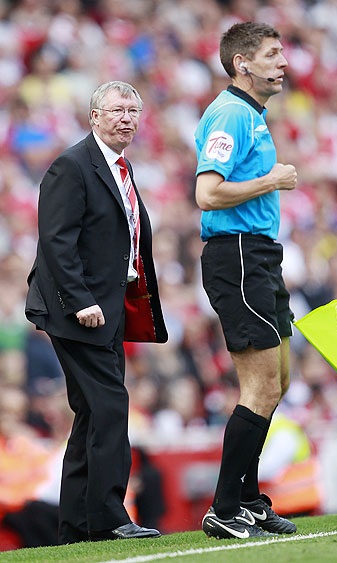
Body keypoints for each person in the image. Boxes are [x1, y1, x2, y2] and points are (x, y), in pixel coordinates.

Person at [25, 81, 168, 544]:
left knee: (91, 414)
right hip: (78, 312)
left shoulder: (121, 168)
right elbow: (56, 240)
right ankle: (107, 517)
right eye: (116, 110)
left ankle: (75, 526)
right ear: (94, 117)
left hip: (107, 311)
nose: (126, 117)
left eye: (133, 110)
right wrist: (80, 299)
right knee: (110, 407)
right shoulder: (72, 166)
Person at [194, 22, 298, 539]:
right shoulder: (231, 113)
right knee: (259, 385)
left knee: (277, 380)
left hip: (259, 254)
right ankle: (224, 506)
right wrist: (272, 179)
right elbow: (207, 194)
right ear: (242, 64)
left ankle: (250, 500)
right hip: (236, 254)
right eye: (272, 54)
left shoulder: (252, 115)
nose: (284, 63)